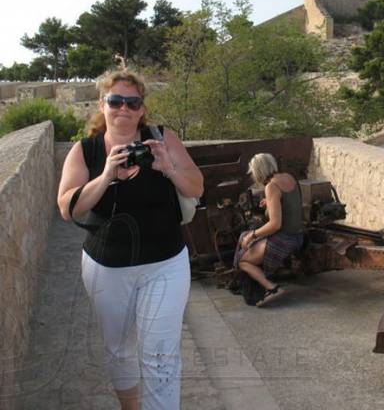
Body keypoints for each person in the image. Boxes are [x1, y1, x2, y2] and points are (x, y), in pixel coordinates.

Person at [57, 70, 203, 410]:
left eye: (132, 102)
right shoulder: (86, 150)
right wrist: (107, 175)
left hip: (165, 263)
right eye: (116, 101)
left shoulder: (163, 138)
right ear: (102, 104)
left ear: (141, 108)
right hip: (107, 266)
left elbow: (196, 187)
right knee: (119, 348)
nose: (124, 108)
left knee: (160, 354)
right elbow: (67, 207)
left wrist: (168, 167)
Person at [235, 153, 305, 307]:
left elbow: (275, 224)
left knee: (243, 261)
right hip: (298, 235)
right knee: (244, 237)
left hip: (285, 239)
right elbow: (289, 203)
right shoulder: (289, 177)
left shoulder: (271, 186)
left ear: (258, 171)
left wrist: (252, 235)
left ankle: (272, 288)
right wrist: (270, 202)